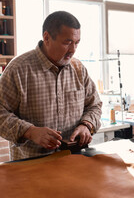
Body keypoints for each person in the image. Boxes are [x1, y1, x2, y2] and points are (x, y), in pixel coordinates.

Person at [0, 11, 102, 161]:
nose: (73, 50)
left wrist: (86, 125)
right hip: (32, 167)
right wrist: (30, 131)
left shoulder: (79, 69)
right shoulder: (18, 69)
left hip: (75, 163)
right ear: (47, 38)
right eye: (67, 42)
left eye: (77, 43)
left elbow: (95, 106)